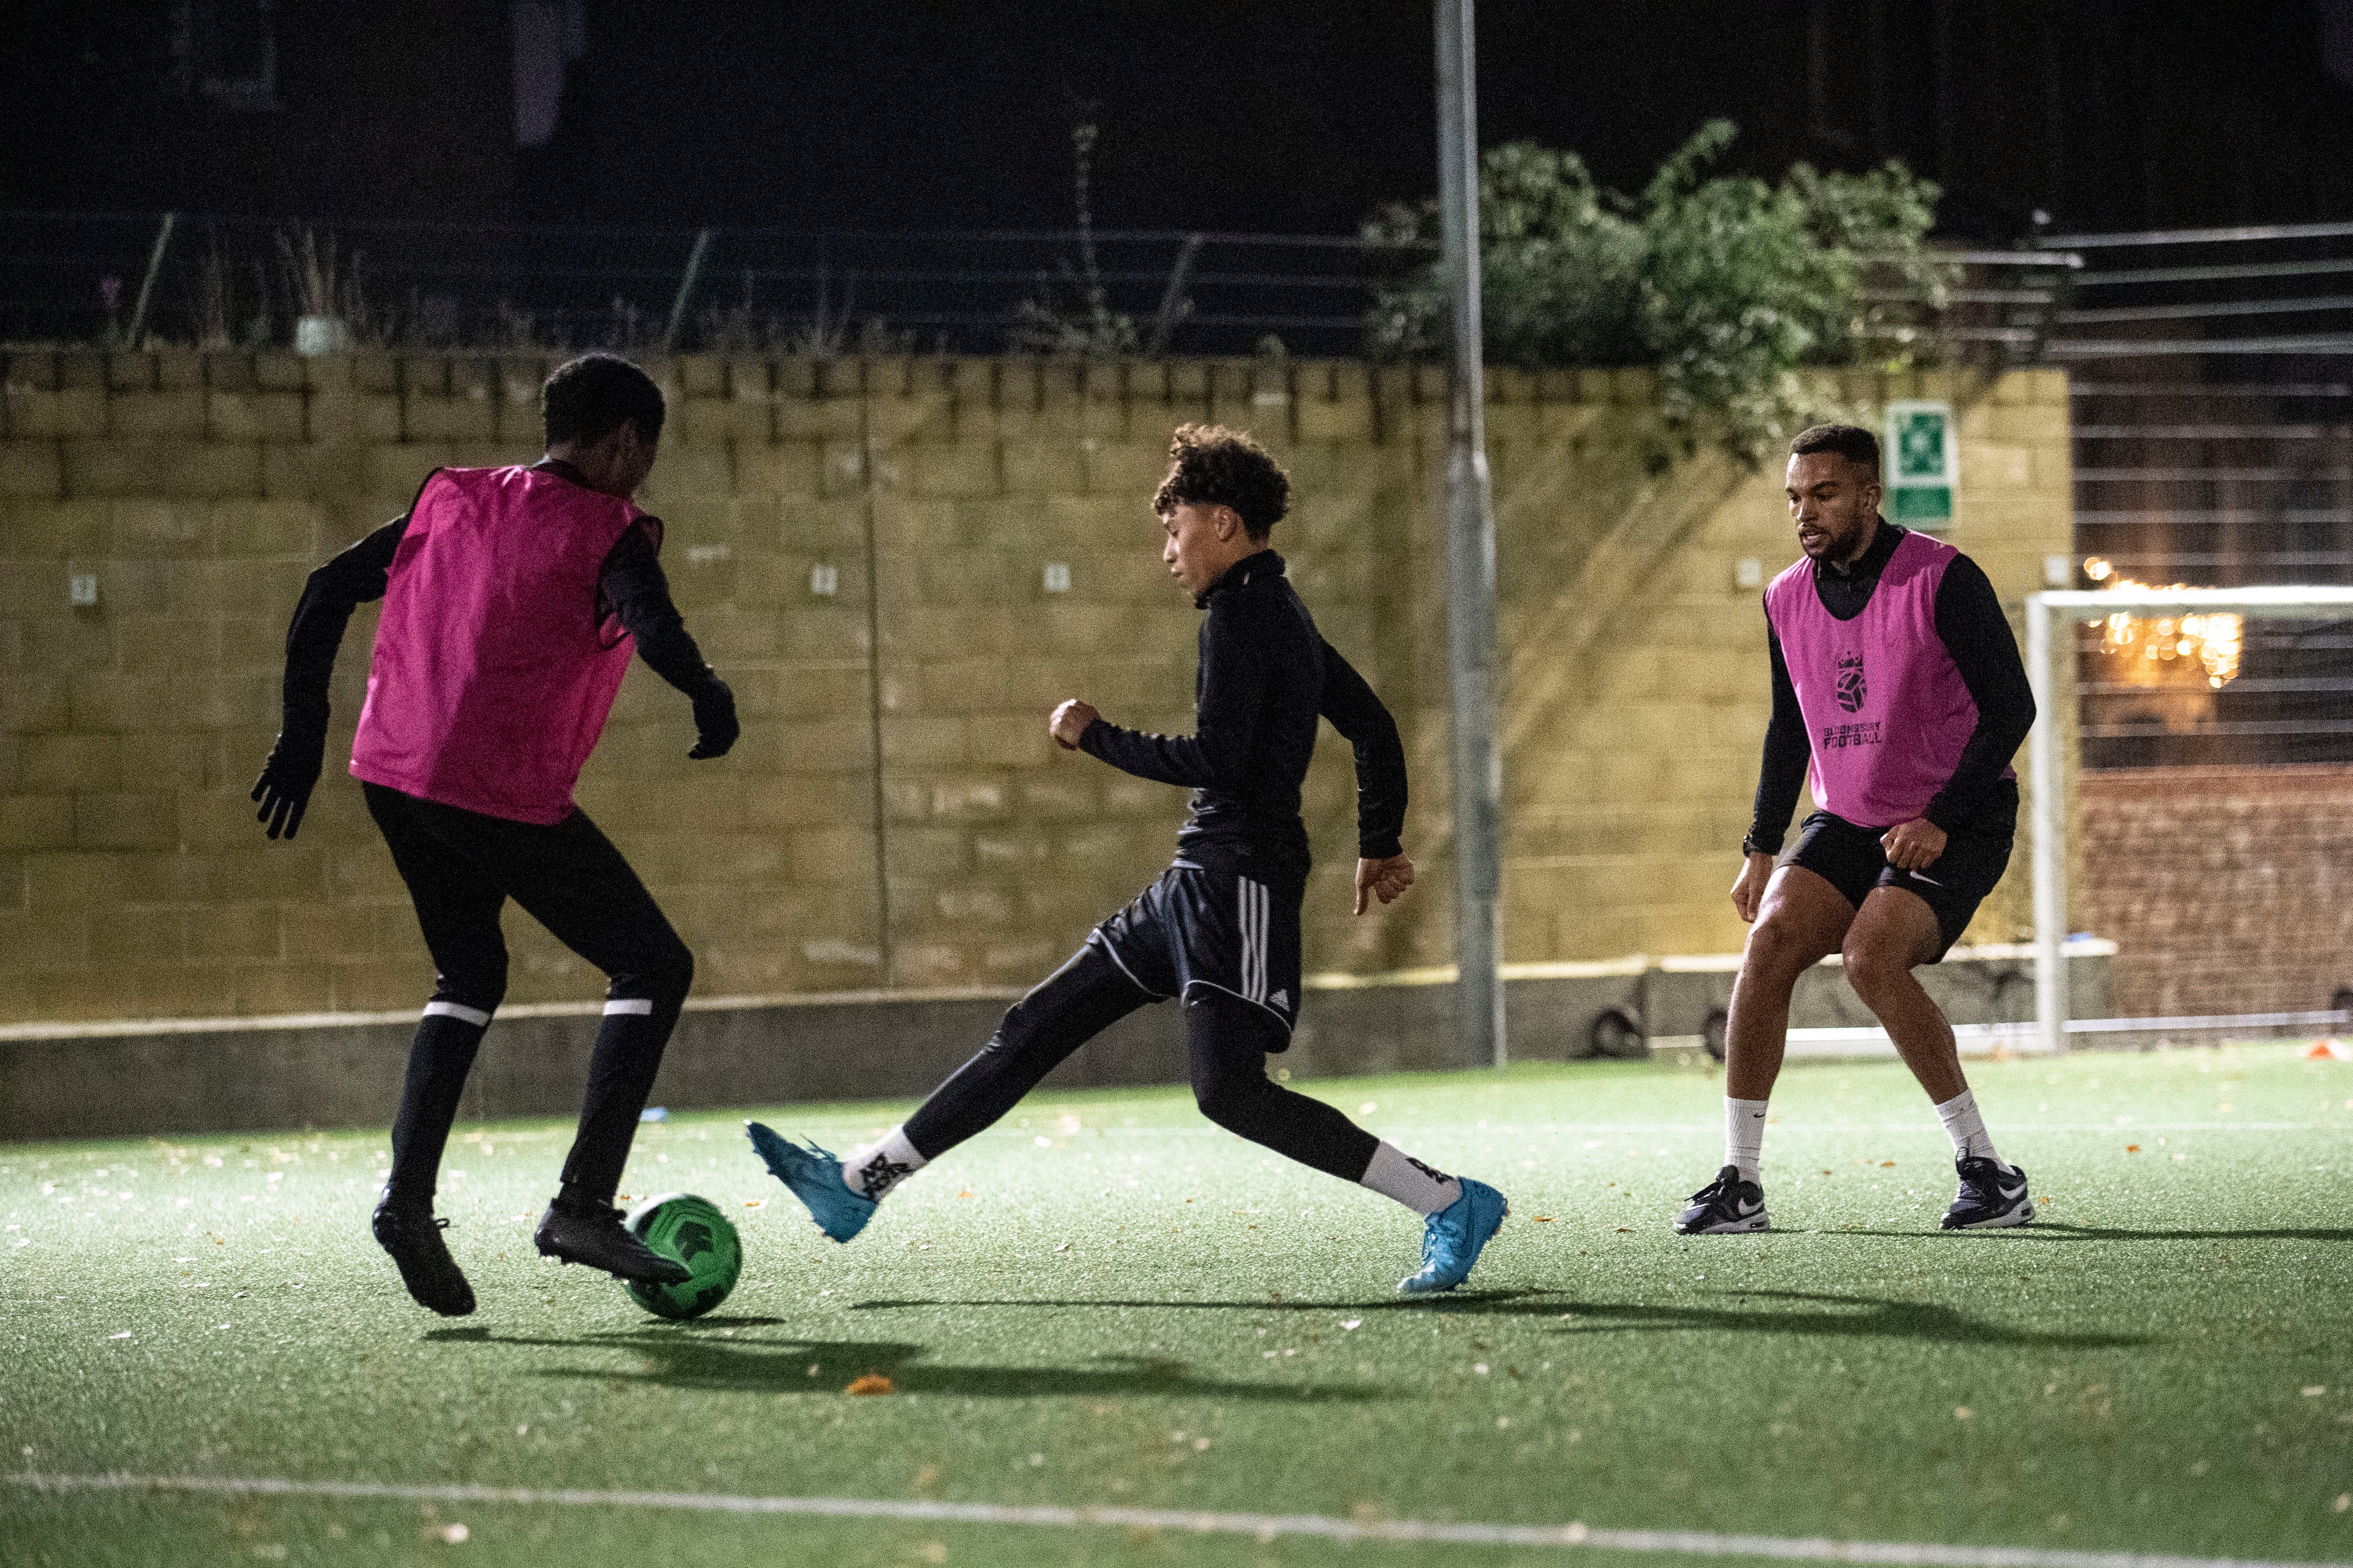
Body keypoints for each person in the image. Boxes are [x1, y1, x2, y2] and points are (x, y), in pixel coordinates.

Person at [749, 424, 1509, 1294]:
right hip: (1192, 885)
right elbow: (1370, 727)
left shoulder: (1247, 614)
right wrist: (1377, 840)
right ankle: (862, 1183)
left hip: (1240, 883)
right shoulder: (1271, 610)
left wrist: (1094, 736)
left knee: (1230, 1093)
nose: (1166, 553)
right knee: (1034, 1028)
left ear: (1223, 523)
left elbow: (1221, 760)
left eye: (1174, 529)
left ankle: (1448, 1201)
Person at [251, 352, 740, 1315]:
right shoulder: (609, 528)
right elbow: (653, 623)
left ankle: (406, 1203)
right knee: (652, 965)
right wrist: (708, 696)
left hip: (394, 772)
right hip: (491, 787)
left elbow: (324, 588)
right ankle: (581, 1205)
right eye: (645, 454)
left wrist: (301, 735)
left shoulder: (452, 500)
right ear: (622, 443)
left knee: (469, 974)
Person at [1676, 423, 2037, 1236]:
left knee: (1872, 959)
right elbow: (1787, 726)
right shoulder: (1783, 597)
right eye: (1794, 498)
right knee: (1767, 945)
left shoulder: (1942, 578)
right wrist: (1759, 848)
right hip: (1848, 814)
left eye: (1825, 494)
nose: (1805, 512)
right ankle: (1739, 1181)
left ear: (1869, 495)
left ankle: (1987, 1172)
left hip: (1959, 810)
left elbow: (2011, 707)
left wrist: (1939, 819)